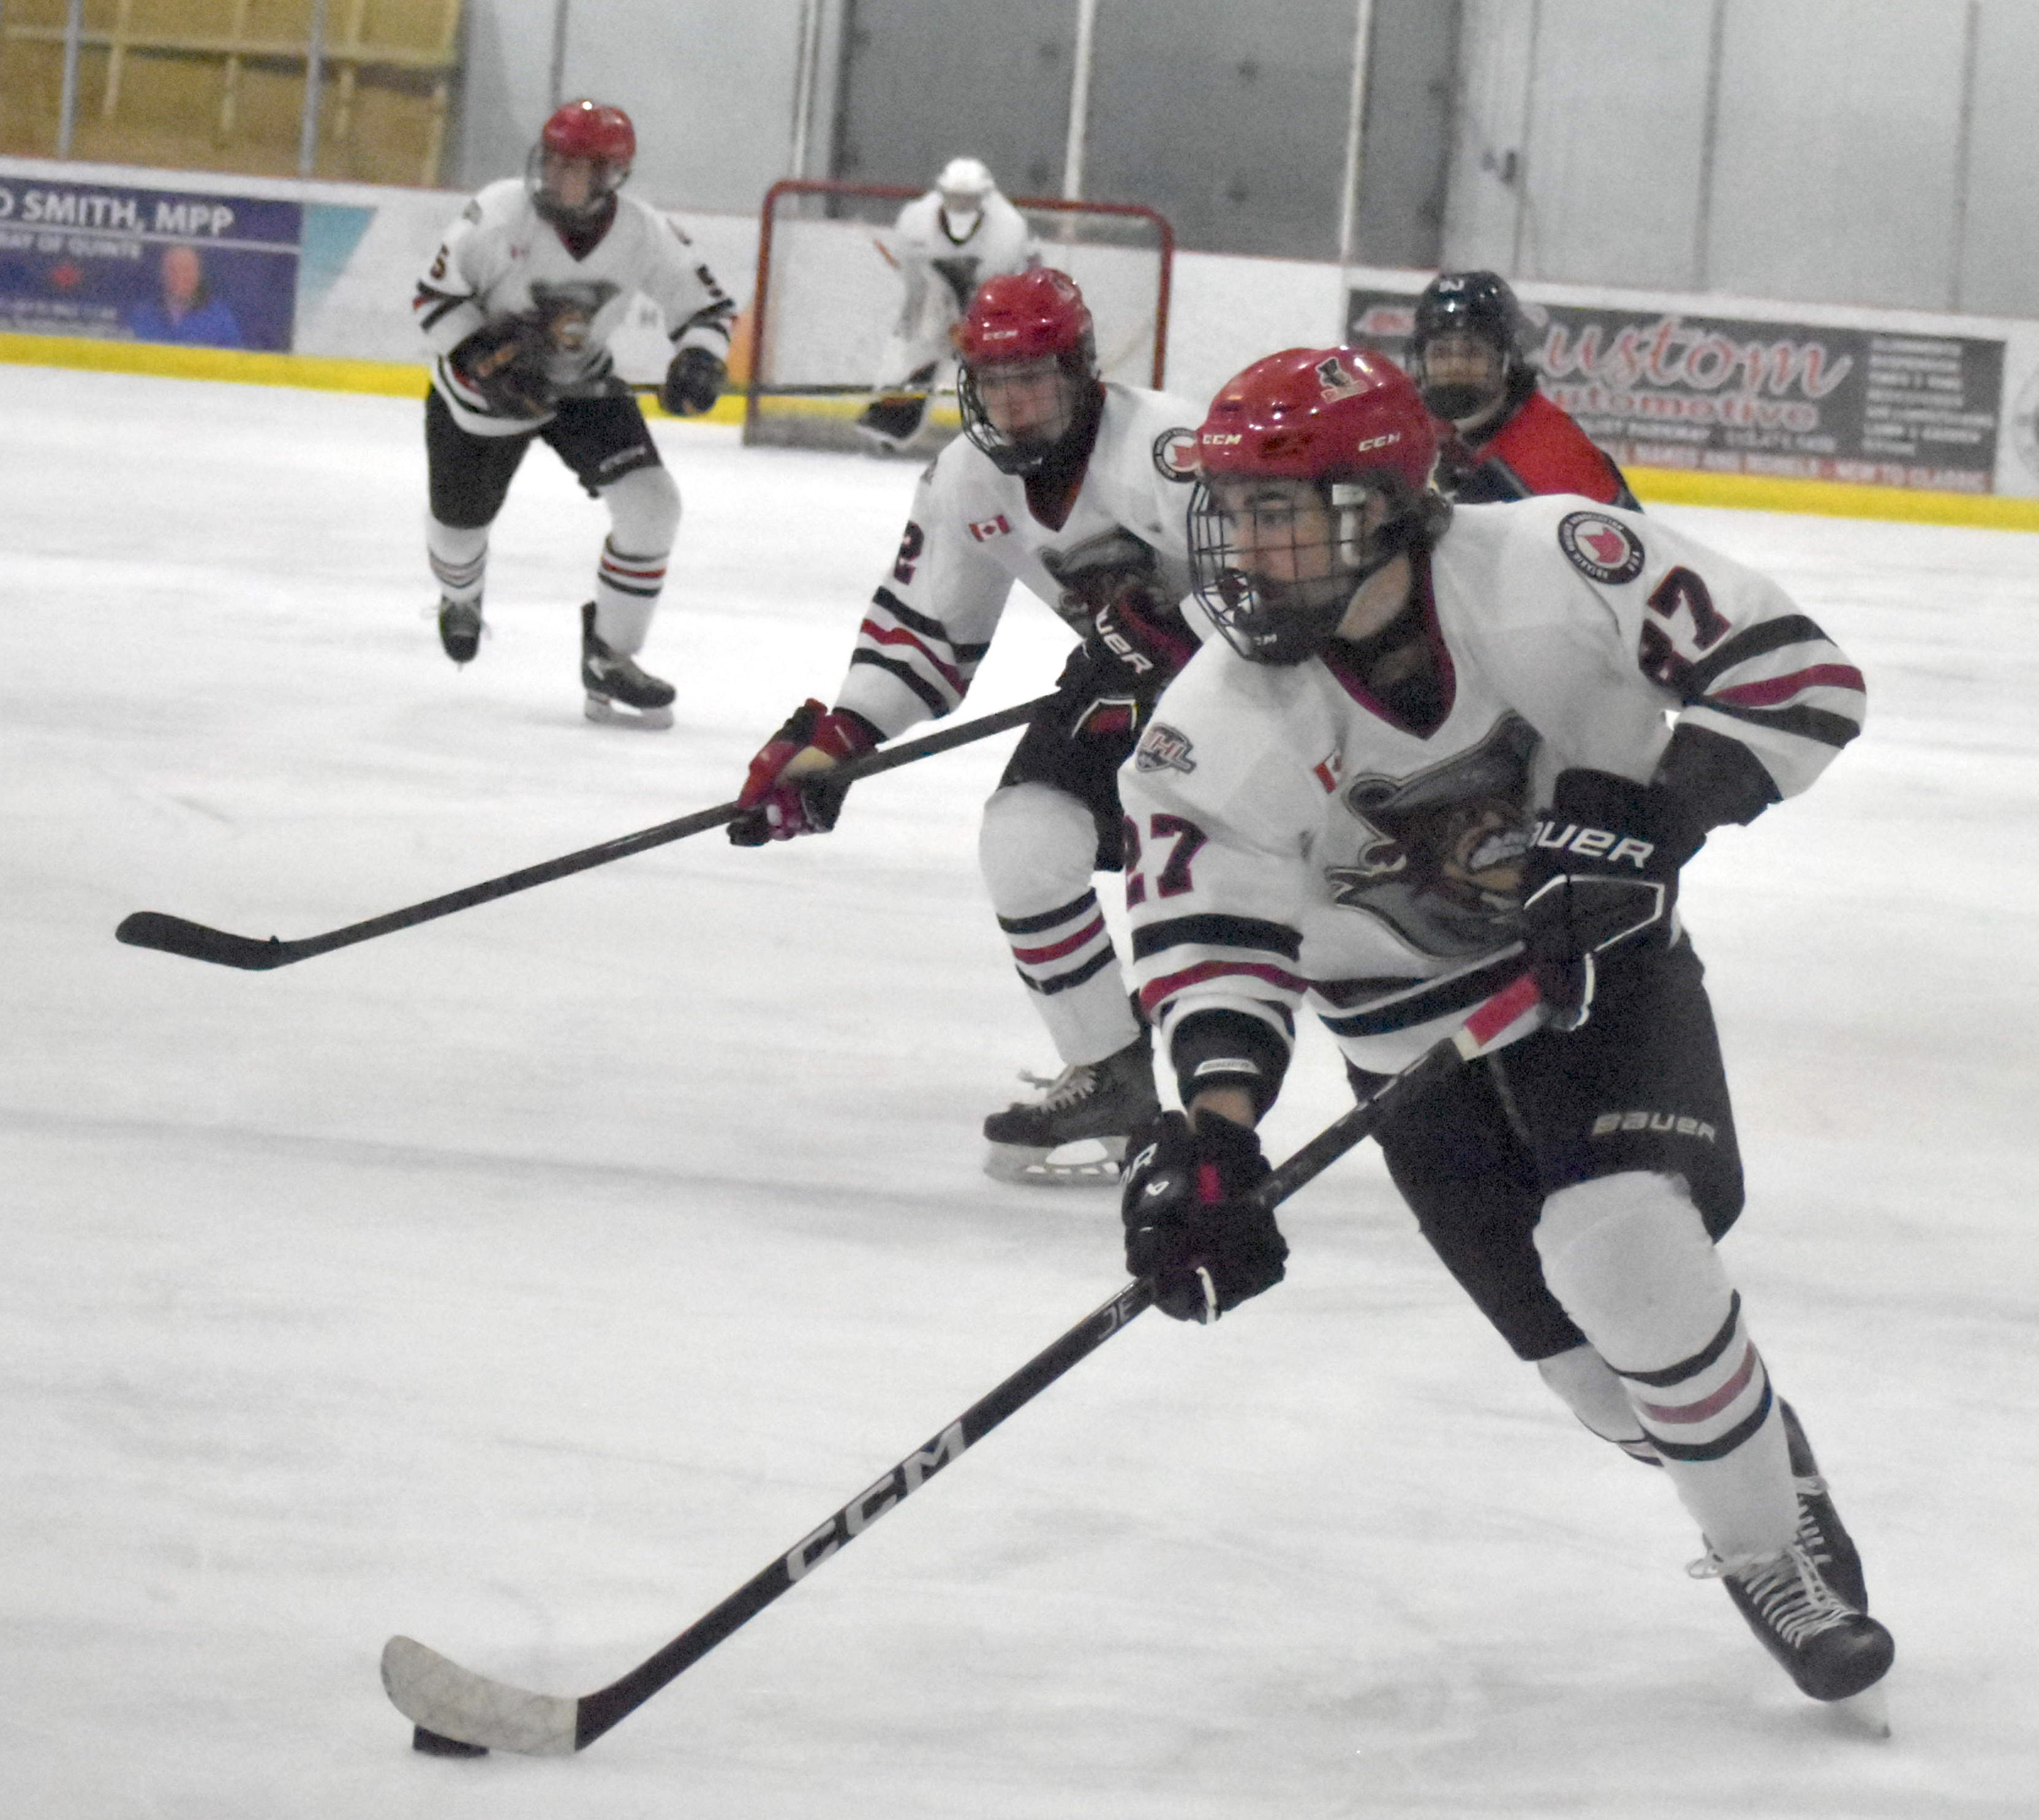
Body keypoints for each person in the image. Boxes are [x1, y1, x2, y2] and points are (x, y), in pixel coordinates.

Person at [1114, 344, 1891, 1709]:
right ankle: (1757, 1452)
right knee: (1600, 1386)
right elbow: (1210, 943)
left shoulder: (1553, 565)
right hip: (1399, 1050)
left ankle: (1770, 1549)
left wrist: (1647, 815)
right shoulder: (1212, 718)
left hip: (1596, 980)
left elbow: (1796, 676)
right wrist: (1214, 1137)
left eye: (1286, 512)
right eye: (1233, 516)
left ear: (1392, 502)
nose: (1248, 551)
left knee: (1619, 1250)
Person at [733, 268, 1207, 1184]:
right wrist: (838, 743)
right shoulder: (966, 479)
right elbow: (924, 631)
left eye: (1034, 378)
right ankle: (1110, 1071)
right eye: (995, 381)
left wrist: (1186, 627)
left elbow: (1285, 580)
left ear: (1079, 372)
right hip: (1124, 683)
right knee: (1025, 841)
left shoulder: (1167, 448)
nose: (1015, 404)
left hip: (1260, 687)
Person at [410, 98, 736, 728]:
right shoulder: (499, 214)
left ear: (611, 176)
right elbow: (433, 297)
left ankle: (610, 656)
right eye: (552, 161)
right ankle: (460, 596)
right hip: (480, 400)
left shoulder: (643, 233)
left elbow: (706, 309)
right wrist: (483, 356)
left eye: (574, 167)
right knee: (458, 527)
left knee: (651, 504)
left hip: (580, 389)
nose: (554, 176)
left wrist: (699, 358)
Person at [1408, 270, 1638, 509]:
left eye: (1472, 353)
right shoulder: (1442, 418)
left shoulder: (1547, 459)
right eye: (1440, 353)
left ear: (1506, 360)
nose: (1454, 368)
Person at [855, 157, 1039, 451]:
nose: (961, 206)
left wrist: (975, 329)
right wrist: (921, 336)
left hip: (997, 294)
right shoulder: (914, 223)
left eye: (970, 199)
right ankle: (894, 416)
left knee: (998, 357)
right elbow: (916, 287)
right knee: (921, 340)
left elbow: (1006, 294)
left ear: (985, 199)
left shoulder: (1008, 232)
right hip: (936, 287)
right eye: (955, 198)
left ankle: (1010, 427)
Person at [127, 243, 244, 349]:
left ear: (198, 275)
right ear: (162, 274)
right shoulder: (143, 314)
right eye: (172, 269)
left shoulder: (220, 318)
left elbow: (233, 364)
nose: (179, 276)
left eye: (186, 270)